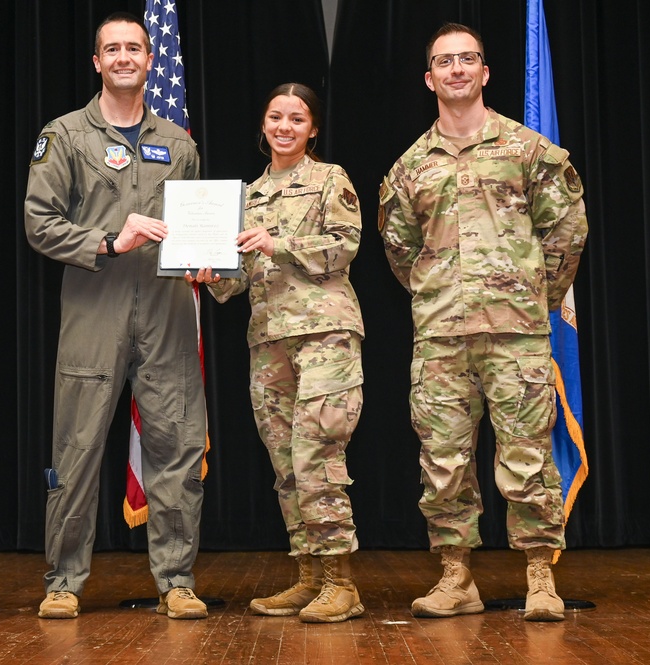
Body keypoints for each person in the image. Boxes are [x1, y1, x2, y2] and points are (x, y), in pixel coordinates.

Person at [378, 23, 588, 621]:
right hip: (442, 337)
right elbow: (399, 249)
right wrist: (439, 294)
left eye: (468, 59)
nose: (457, 70)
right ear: (430, 78)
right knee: (443, 461)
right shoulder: (408, 169)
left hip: (516, 332)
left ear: (486, 72)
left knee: (527, 458)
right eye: (445, 62)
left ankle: (539, 578)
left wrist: (530, 293)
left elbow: (567, 230)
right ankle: (455, 578)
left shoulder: (529, 151)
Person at [24, 12, 207, 621]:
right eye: (113, 49)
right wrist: (109, 241)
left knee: (177, 448)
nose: (125, 57)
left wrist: (207, 262)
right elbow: (39, 224)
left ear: (150, 61)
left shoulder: (179, 143)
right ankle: (63, 582)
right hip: (93, 312)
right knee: (76, 447)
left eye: (135, 47)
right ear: (97, 62)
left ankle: (176, 580)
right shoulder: (66, 136)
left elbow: (195, 229)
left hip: (168, 314)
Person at [187, 83, 365, 623]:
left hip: (326, 336)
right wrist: (210, 273)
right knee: (286, 463)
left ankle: (342, 582)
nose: (284, 126)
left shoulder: (330, 179)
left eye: (296, 118)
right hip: (269, 343)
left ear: (313, 128)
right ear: (263, 126)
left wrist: (277, 243)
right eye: (275, 117)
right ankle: (310, 577)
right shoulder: (245, 196)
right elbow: (237, 279)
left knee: (317, 456)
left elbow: (346, 244)